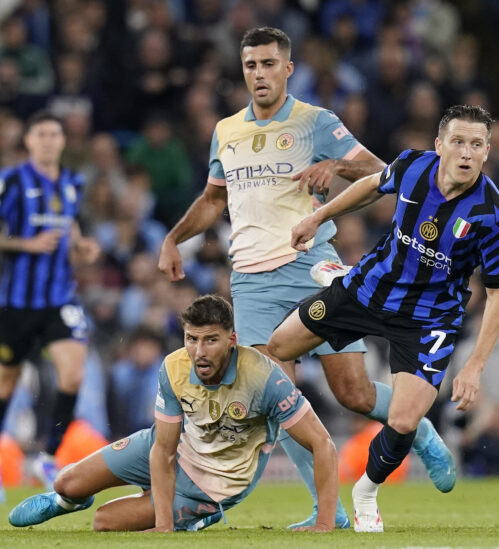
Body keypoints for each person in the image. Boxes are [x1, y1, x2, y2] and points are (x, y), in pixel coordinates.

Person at [158, 26, 455, 529]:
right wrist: (173, 238)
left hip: (311, 266)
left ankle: (419, 428)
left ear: (288, 68)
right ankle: (329, 511)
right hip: (250, 281)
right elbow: (213, 200)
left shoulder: (316, 122)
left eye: (269, 64)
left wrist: (335, 166)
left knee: (353, 393)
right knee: (277, 404)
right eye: (251, 65)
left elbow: (384, 174)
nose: (259, 74)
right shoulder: (226, 131)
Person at [267, 105, 499, 532]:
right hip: (366, 290)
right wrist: (318, 215)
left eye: (477, 144)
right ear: (439, 145)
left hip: (428, 320)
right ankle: (339, 277)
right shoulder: (413, 167)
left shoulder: (492, 216)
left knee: (402, 420)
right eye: (458, 141)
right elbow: (370, 186)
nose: (466, 152)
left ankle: (366, 491)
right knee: (278, 348)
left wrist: (474, 366)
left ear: (487, 152)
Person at [8, 295, 338, 532]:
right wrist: (163, 525)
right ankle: (70, 501)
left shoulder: (264, 378)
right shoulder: (173, 366)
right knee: (66, 482)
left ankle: (201, 515)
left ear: (232, 341)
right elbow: (163, 449)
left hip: (215, 482)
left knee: (105, 522)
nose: (198, 351)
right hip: (176, 449)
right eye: (191, 339)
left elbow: (322, 443)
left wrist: (324, 522)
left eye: (211, 340)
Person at [0, 110, 100, 503]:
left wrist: (81, 246)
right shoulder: (11, 180)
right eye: (40, 133)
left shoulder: (72, 182)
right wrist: (24, 244)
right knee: (6, 381)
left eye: (54, 134)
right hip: (17, 302)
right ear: (28, 141)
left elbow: (71, 227)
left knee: (73, 375)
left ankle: (48, 456)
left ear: (63, 141)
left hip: (59, 298)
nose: (48, 140)